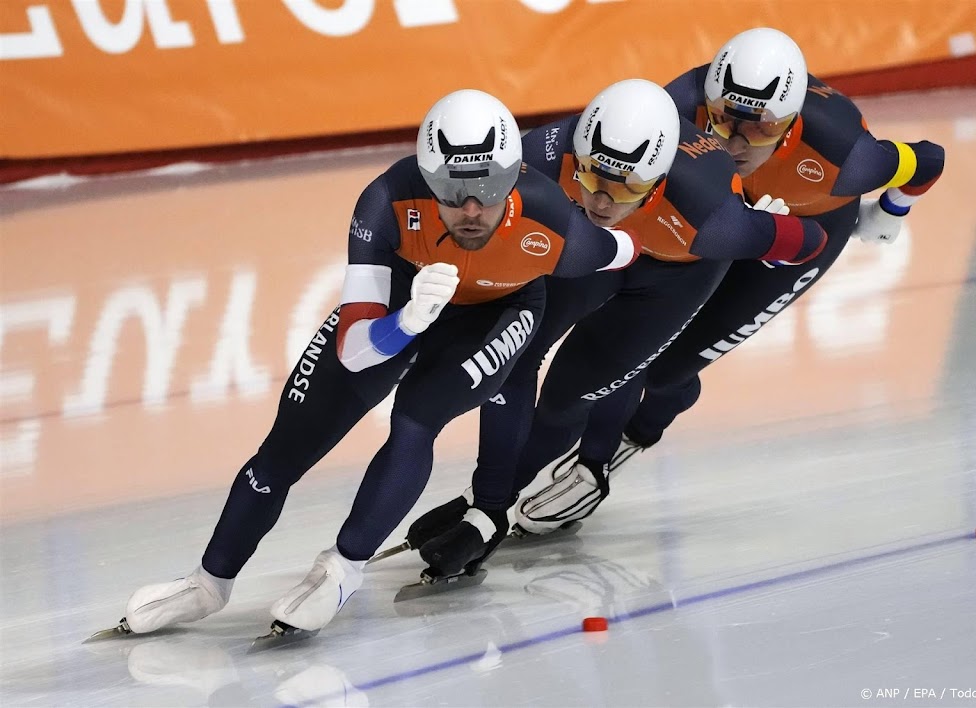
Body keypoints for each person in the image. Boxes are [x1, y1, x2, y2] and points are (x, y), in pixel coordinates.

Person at [100, 88, 644, 642]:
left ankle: (343, 568)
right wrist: (407, 320)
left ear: (513, 177)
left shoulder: (551, 222)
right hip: (400, 306)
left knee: (415, 416)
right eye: (453, 191)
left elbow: (621, 247)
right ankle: (209, 582)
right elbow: (355, 350)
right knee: (283, 449)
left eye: (487, 187)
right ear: (428, 181)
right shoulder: (384, 203)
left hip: (499, 315)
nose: (472, 208)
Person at [511, 27, 947, 536]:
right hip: (704, 224)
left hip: (798, 232)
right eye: (721, 120)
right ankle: (593, 463)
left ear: (788, 125)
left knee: (668, 369)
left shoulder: (847, 157)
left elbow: (929, 159)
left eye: (757, 130)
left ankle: (645, 426)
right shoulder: (678, 105)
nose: (733, 143)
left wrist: (887, 213)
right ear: (708, 102)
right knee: (628, 343)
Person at [401, 78, 831, 577]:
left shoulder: (717, 221)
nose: (603, 201)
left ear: (659, 179)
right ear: (578, 156)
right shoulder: (543, 156)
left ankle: (594, 462)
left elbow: (813, 240)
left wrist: (770, 239)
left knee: (569, 394)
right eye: (592, 177)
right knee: (516, 350)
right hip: (592, 252)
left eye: (626, 186)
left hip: (673, 273)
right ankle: (491, 502)